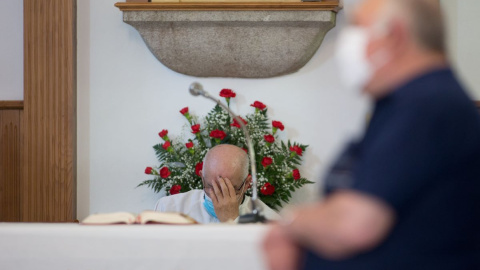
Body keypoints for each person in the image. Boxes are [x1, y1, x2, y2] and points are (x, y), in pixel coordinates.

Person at [262, 0, 480, 269]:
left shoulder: (427, 105)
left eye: (358, 28)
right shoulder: (404, 103)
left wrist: (292, 222)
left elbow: (354, 225)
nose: (348, 44)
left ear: (395, 35)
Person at [154, 144, 280, 223]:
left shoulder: (269, 222)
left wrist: (232, 221)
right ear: (202, 178)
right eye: (211, 186)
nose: (218, 195)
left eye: (230, 188)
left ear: (247, 184)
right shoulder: (168, 207)